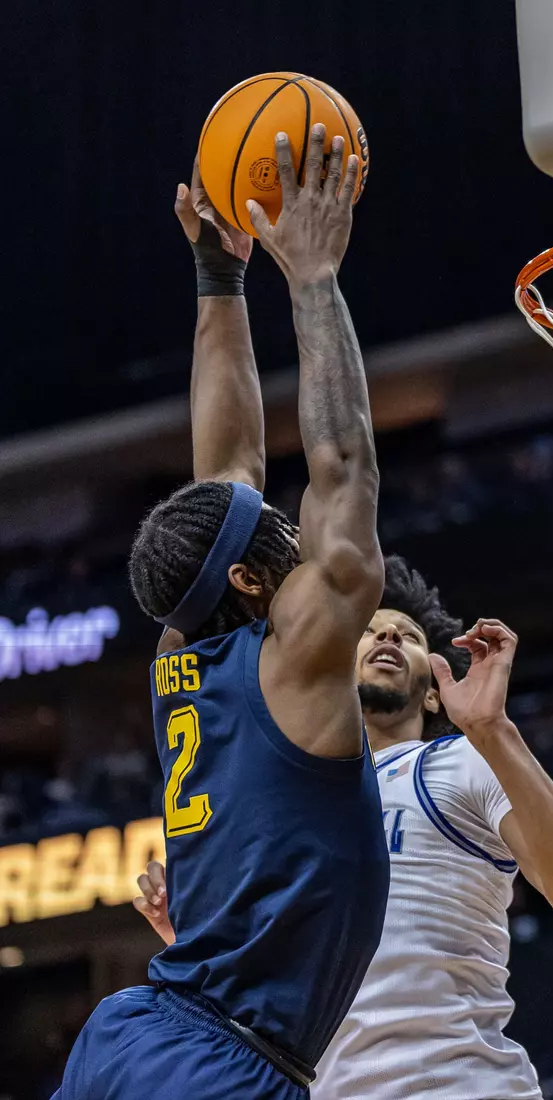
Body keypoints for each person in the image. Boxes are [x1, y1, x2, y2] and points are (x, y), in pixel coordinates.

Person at [55, 126, 389, 1099]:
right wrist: (314, 276)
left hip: (131, 1033)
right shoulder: (299, 655)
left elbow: (227, 477)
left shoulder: (183, 644)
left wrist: (218, 280)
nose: (293, 525)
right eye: (276, 532)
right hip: (221, 1061)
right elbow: (346, 470)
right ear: (250, 581)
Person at [135, 570, 553, 1099]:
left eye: (408, 636)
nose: (388, 637)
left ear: (434, 696)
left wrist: (492, 728)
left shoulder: (460, 760)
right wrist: (188, 938)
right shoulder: (285, 799)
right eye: (369, 630)